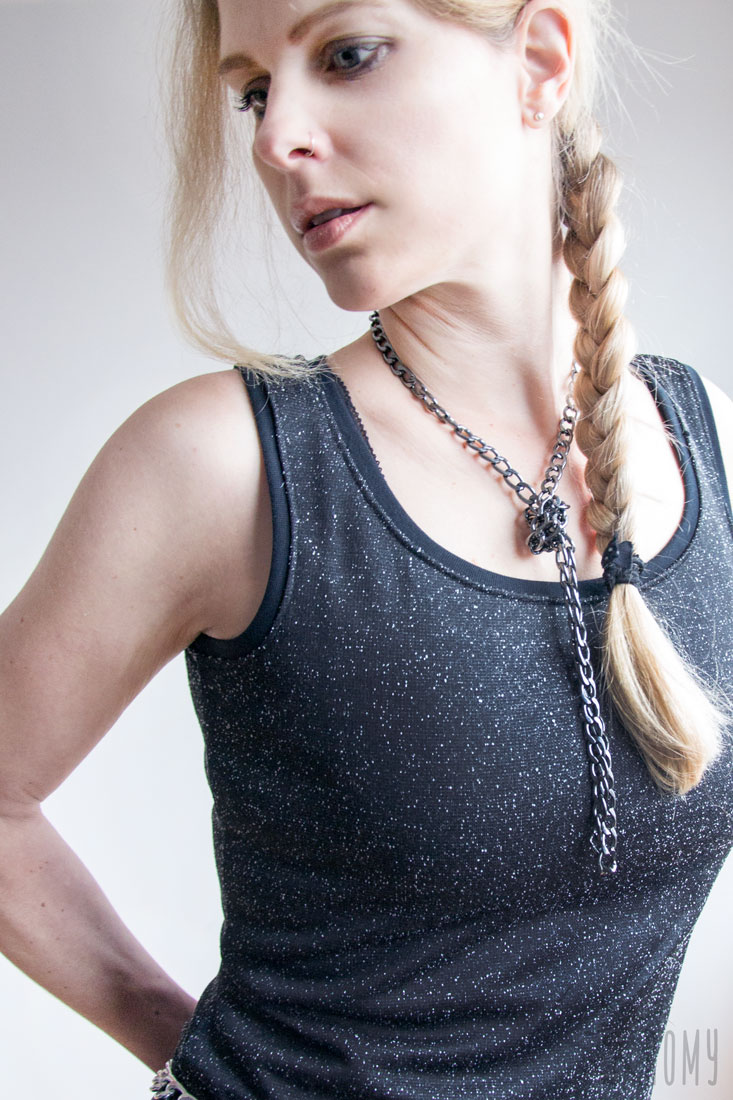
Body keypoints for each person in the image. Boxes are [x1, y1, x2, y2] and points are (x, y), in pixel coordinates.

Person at [1, 0, 732, 1097]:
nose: (272, 138)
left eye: (346, 55)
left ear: (538, 62)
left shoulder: (710, 443)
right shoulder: (226, 466)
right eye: (253, 92)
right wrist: (194, 1054)